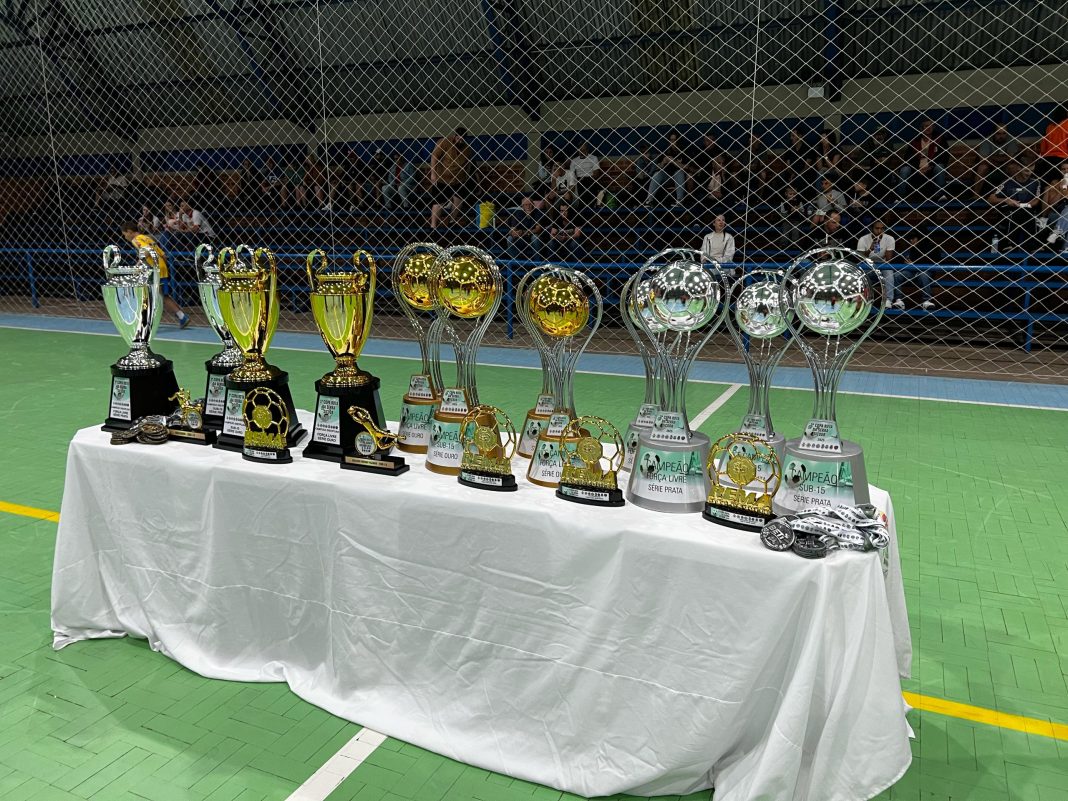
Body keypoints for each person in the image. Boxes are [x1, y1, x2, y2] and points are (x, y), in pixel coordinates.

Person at [121, 221, 189, 328]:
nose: (125, 237)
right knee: (162, 295)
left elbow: (147, 251)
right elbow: (163, 255)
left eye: (124, 234)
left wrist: (139, 264)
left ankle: (147, 321)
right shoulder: (147, 238)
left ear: (129, 232)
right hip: (161, 267)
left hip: (154, 269)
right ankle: (182, 316)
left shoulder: (136, 240)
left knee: (149, 295)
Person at [988, 162, 1041, 250]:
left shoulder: (1035, 182)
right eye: (1026, 171)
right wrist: (1006, 200)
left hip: (1027, 209)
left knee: (1031, 216)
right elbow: (991, 199)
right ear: (1019, 168)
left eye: (1032, 171)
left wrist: (1022, 205)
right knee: (1011, 215)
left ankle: (1032, 246)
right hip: (1009, 210)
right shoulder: (1007, 182)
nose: (1029, 173)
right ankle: (1008, 244)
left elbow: (1036, 200)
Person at [430, 127, 473, 229]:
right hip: (442, 178)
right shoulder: (444, 142)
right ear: (455, 136)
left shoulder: (467, 149)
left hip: (458, 179)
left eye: (462, 139)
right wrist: (433, 173)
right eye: (458, 138)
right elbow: (434, 156)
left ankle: (452, 221)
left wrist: (466, 177)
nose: (460, 141)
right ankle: (433, 226)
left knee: (459, 200)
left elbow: (468, 164)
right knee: (438, 202)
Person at [856, 221, 900, 309]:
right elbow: (860, 258)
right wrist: (870, 249)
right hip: (867, 265)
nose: (879, 231)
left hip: (883, 265)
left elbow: (889, 259)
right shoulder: (863, 239)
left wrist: (881, 245)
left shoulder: (889, 239)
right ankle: (861, 300)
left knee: (889, 271)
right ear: (871, 229)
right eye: (877, 228)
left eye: (882, 229)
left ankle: (888, 300)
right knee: (859, 273)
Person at [897, 118, 947, 196]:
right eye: (926, 126)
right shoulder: (915, 141)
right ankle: (900, 196)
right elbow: (908, 158)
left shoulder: (940, 139)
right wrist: (917, 169)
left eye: (931, 126)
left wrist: (930, 167)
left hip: (932, 168)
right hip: (916, 169)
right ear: (921, 128)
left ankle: (940, 196)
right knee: (904, 169)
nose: (928, 128)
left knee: (940, 167)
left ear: (934, 127)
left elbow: (943, 156)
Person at [895, 230, 937, 310]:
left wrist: (915, 263)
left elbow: (933, 261)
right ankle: (899, 300)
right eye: (910, 239)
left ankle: (926, 300)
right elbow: (899, 258)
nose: (911, 241)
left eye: (914, 238)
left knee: (923, 275)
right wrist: (905, 261)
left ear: (919, 238)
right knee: (897, 275)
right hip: (912, 272)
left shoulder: (930, 246)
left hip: (926, 272)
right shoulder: (910, 247)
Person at [645, 131, 689, 206]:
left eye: (674, 140)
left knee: (679, 172)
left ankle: (679, 201)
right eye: (671, 140)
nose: (672, 142)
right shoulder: (665, 151)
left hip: (679, 179)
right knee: (657, 173)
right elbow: (657, 167)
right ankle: (649, 200)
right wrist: (663, 162)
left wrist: (673, 161)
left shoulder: (684, 151)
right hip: (667, 178)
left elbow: (687, 167)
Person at [505, 196, 544, 262]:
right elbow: (512, 229)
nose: (528, 207)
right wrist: (514, 233)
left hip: (532, 237)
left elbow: (538, 229)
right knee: (509, 238)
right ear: (522, 206)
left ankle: (537, 262)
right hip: (521, 238)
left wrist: (524, 232)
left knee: (535, 237)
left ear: (533, 205)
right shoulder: (518, 213)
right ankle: (516, 262)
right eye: (526, 205)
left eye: (530, 204)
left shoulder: (537, 213)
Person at [1042, 159, 1068, 252]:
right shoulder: (1055, 183)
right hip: (1057, 213)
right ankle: (1065, 247)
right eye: (1063, 169)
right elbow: (1051, 204)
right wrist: (1061, 189)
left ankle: (1057, 233)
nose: (1066, 171)